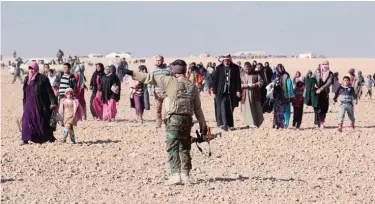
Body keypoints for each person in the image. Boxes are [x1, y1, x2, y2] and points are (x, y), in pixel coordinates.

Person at [123, 59, 207, 186]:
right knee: (185, 147)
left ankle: (175, 175)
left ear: (173, 71)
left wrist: (130, 72)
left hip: (173, 119)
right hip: (187, 120)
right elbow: (198, 108)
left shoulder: (169, 81)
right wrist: (203, 125)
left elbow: (149, 78)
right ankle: (185, 175)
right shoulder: (193, 86)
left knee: (172, 146)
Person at [21, 61, 57, 145]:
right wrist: (24, 102)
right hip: (28, 104)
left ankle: (49, 137)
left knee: (42, 121)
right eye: (29, 68)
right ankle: (25, 139)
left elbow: (49, 92)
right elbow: (25, 92)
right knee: (26, 121)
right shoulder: (27, 79)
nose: (31, 70)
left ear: (36, 68)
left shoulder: (43, 78)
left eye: (32, 68)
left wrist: (53, 102)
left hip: (40, 103)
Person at [212, 54, 241, 131]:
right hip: (221, 92)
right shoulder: (218, 68)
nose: (226, 62)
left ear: (230, 60)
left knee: (230, 108)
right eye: (225, 60)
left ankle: (229, 124)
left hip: (231, 91)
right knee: (222, 107)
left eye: (228, 60)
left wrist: (238, 90)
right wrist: (214, 91)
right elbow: (215, 81)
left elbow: (238, 81)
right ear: (223, 61)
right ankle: (224, 124)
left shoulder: (235, 68)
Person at [240, 62, 264, 128]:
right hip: (244, 94)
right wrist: (242, 85)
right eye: (246, 69)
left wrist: (255, 85)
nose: (247, 70)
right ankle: (247, 123)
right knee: (246, 109)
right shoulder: (241, 74)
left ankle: (254, 123)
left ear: (251, 68)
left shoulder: (256, 74)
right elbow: (237, 84)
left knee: (255, 108)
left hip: (254, 94)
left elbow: (261, 82)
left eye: (248, 69)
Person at [152, 55, 173, 128]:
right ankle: (158, 122)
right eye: (157, 60)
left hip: (166, 92)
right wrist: (151, 90)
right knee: (158, 108)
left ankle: (166, 121)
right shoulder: (153, 70)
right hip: (157, 92)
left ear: (163, 61)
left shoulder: (168, 70)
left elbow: (172, 79)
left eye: (159, 60)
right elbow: (150, 81)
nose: (158, 61)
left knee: (167, 108)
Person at [312, 61, 333, 129]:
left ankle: (322, 123)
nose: (325, 65)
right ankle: (318, 122)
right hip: (316, 93)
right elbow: (312, 78)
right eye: (323, 64)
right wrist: (313, 85)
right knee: (317, 108)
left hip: (325, 93)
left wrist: (321, 89)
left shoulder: (330, 73)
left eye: (326, 64)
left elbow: (329, 83)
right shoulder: (317, 72)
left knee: (324, 108)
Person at [272, 64, 294, 129]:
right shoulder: (276, 76)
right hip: (278, 96)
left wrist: (290, 95)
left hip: (285, 97)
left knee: (285, 111)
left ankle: (284, 124)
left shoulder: (286, 76)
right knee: (279, 110)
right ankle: (280, 124)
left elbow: (290, 87)